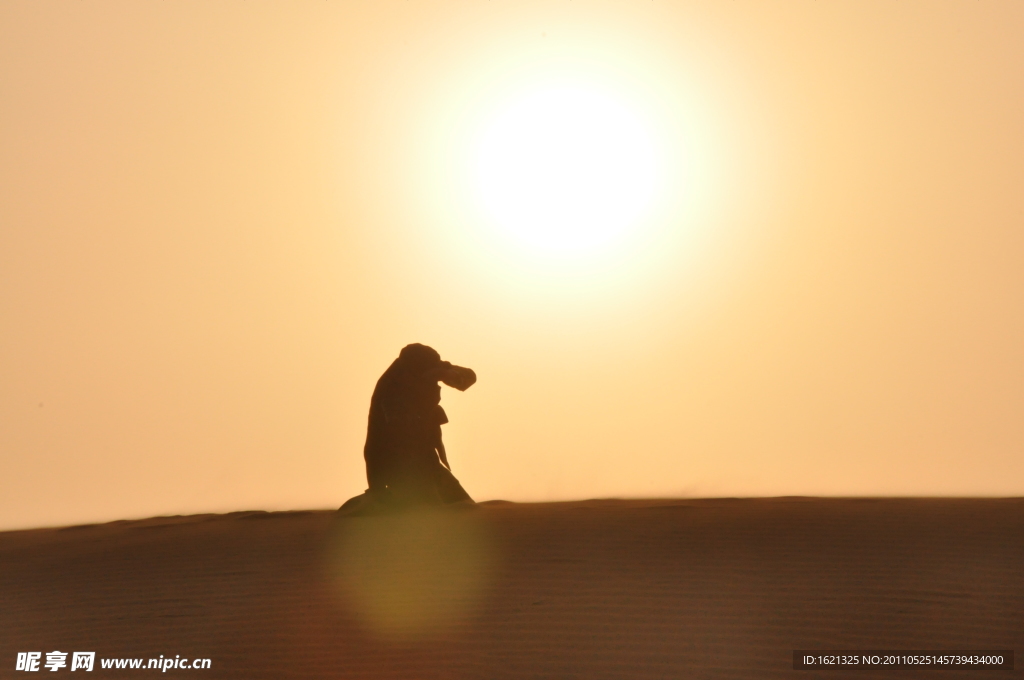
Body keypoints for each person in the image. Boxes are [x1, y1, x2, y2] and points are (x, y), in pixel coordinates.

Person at [344, 343, 476, 511]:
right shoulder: (392, 387)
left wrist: (446, 372)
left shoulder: (422, 370)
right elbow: (403, 429)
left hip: (426, 461)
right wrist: (430, 380)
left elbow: (469, 378)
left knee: (462, 504)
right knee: (424, 508)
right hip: (397, 465)